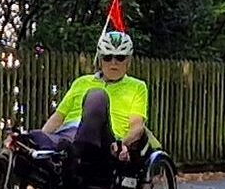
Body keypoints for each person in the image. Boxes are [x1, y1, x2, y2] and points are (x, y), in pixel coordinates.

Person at [27, 29, 151, 178]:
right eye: (107, 57)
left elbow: (137, 126)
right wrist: (42, 137)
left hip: (104, 142)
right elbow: (58, 118)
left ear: (128, 61)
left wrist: (122, 144)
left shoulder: (137, 87)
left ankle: (74, 151)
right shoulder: (81, 82)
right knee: (24, 140)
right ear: (99, 60)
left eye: (120, 57)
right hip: (67, 135)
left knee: (96, 96)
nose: (113, 63)